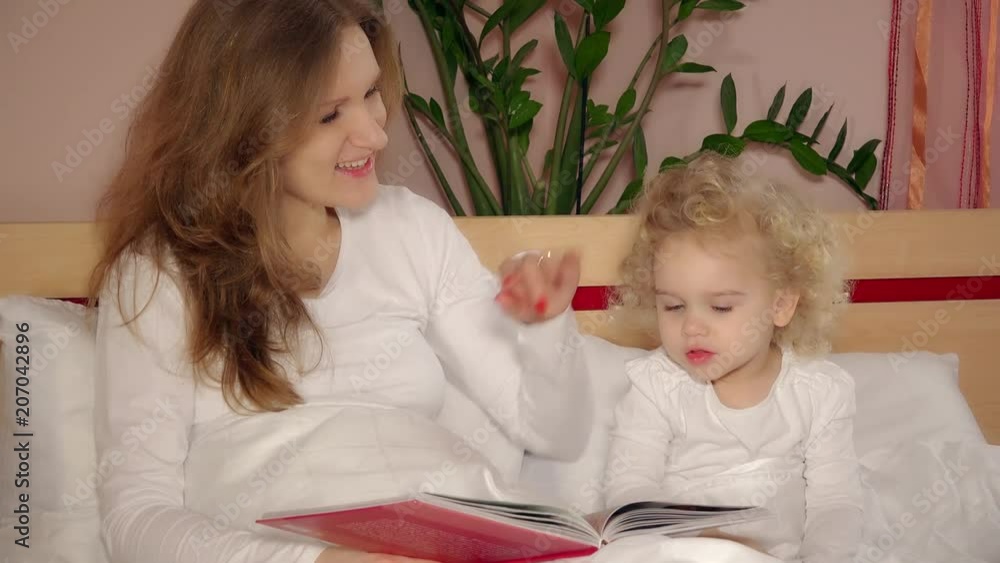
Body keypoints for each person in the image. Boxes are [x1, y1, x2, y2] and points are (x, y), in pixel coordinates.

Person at [86, 1, 590, 562]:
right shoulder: (158, 273)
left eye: (371, 93)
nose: (374, 135)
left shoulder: (412, 227)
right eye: (331, 115)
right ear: (244, 131)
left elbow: (553, 435)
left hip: (459, 536)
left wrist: (546, 329)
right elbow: (134, 517)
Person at [603, 153, 864, 562]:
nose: (692, 327)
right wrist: (685, 539)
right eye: (673, 306)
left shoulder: (819, 394)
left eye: (720, 308)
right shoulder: (656, 386)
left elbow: (836, 503)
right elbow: (630, 488)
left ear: (781, 305)